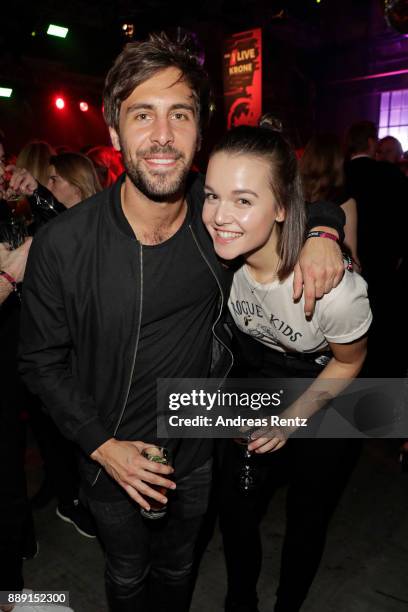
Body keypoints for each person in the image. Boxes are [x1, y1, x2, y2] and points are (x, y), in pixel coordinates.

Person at [19, 34, 345, 612]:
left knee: (178, 570)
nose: (163, 135)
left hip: (198, 452)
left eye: (181, 115)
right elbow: (40, 362)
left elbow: (289, 193)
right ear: (115, 132)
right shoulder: (64, 245)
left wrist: (323, 230)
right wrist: (102, 447)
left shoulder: (216, 218)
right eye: (143, 115)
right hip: (109, 460)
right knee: (125, 578)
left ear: (200, 131)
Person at [202, 122, 372, 612]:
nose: (219, 216)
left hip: (329, 390)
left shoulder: (332, 288)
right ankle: (240, 602)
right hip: (258, 380)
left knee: (307, 517)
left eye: (242, 200)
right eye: (213, 196)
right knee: (235, 511)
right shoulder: (219, 257)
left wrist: (290, 421)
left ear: (280, 207)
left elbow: (351, 362)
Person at [300, 133, 360, 269]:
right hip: (327, 278)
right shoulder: (344, 201)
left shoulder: (292, 193)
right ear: (338, 161)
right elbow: (351, 258)